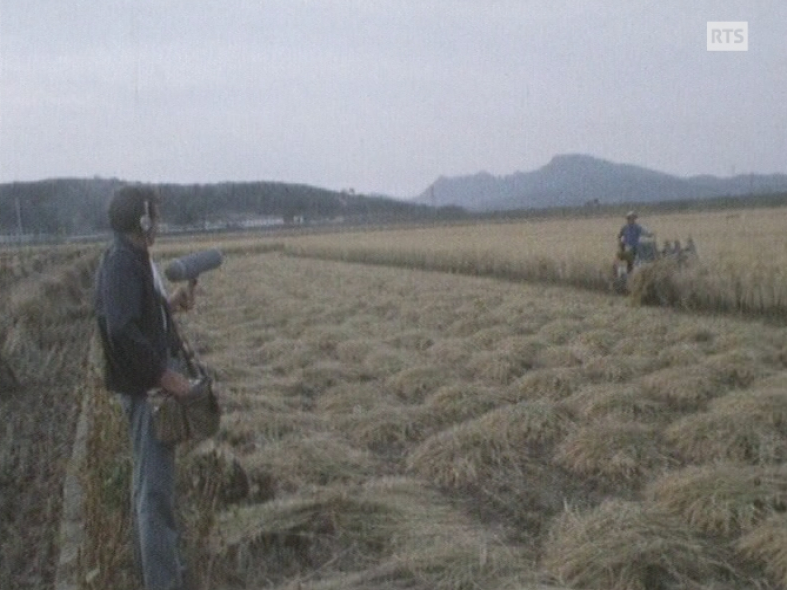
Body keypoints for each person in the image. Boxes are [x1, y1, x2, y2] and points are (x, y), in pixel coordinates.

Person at [94, 184, 196, 590]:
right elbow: (120, 328)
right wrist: (164, 375)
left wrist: (169, 304)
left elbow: (135, 314)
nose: (160, 221)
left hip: (144, 389)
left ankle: (162, 571)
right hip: (145, 394)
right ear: (143, 219)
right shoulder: (121, 261)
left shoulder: (132, 258)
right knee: (154, 498)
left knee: (149, 490)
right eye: (155, 213)